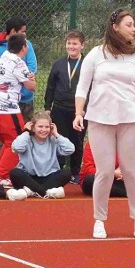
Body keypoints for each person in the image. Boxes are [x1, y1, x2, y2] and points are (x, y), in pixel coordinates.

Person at [74, 9, 135, 240]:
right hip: (99, 119)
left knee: (131, 170)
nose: (134, 28)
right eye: (129, 24)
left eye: (134, 24)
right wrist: (79, 113)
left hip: (130, 119)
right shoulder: (96, 55)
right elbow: (82, 87)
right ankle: (99, 221)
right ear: (115, 27)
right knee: (104, 172)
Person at [0, 33, 36, 184]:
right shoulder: (19, 63)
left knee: (8, 142)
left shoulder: (4, 56)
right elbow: (32, 87)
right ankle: (0, 177)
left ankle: (0, 174)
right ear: (24, 48)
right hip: (5, 107)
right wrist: (32, 77)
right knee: (18, 141)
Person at [45, 30, 86, 184]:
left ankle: (75, 172)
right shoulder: (58, 64)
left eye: (75, 43)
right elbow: (50, 87)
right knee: (59, 138)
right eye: (69, 43)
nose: (71, 46)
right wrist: (48, 107)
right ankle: (58, 169)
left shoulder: (87, 64)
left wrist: (84, 109)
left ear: (82, 45)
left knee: (77, 140)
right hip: (60, 108)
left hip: (80, 111)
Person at [0, 17, 38, 120]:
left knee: (27, 132)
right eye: (22, 31)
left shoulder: (27, 45)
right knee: (9, 132)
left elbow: (32, 66)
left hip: (25, 100)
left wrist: (24, 78)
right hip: (5, 103)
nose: (25, 35)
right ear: (13, 31)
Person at [9, 110, 74, 199]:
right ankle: (45, 191)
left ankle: (31, 191)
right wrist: (26, 132)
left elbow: (70, 149)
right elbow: (16, 147)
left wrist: (56, 134)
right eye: (40, 126)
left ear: (51, 127)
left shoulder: (53, 139)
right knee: (15, 173)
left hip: (49, 177)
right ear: (33, 127)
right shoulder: (26, 139)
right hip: (29, 177)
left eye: (47, 127)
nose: (44, 130)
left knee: (67, 172)